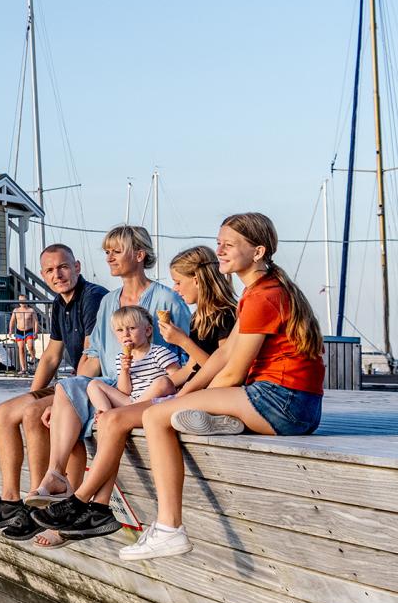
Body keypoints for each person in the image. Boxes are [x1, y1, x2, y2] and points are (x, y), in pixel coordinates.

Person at [120, 213, 324, 560]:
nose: (220, 252)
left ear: (258, 251)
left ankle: (169, 528)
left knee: (156, 418)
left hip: (281, 402)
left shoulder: (263, 295)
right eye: (219, 244)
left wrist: (179, 402)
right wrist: (184, 394)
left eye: (229, 245)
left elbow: (233, 372)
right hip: (292, 403)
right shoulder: (261, 288)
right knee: (173, 406)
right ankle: (222, 421)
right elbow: (224, 351)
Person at [31, 246, 238, 545]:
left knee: (114, 420)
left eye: (179, 281)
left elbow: (216, 366)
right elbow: (193, 370)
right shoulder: (199, 318)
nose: (175, 289)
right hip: (187, 394)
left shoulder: (220, 316)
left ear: (198, 278)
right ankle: (91, 506)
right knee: (106, 416)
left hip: (209, 396)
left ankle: (83, 502)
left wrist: (178, 357)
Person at [21, 226, 191, 528]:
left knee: (91, 408)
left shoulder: (166, 299)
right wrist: (65, 400)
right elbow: (96, 355)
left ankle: (80, 507)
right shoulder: (109, 301)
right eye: (107, 252)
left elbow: (185, 358)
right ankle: (55, 475)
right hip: (115, 385)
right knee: (67, 387)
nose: (109, 258)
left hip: (152, 386)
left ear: (139, 255)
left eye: (116, 251)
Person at [0, 243, 107, 537]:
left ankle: (38, 504)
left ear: (77, 267)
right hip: (73, 381)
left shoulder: (92, 298)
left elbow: (92, 357)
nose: (57, 274)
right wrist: (30, 395)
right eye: (50, 270)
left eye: (63, 267)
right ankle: (10, 501)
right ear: (44, 276)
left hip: (95, 383)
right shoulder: (60, 303)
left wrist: (57, 402)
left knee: (35, 412)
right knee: (5, 412)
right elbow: (50, 356)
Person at [85, 306, 177, 412]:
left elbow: (177, 378)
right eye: (120, 330)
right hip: (131, 402)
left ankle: (123, 413)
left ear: (147, 331)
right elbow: (125, 392)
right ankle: (106, 413)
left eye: (132, 328)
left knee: (163, 382)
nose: (125, 334)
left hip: (154, 402)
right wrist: (125, 370)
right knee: (93, 385)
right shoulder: (121, 357)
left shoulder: (159, 352)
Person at [9, 293, 40, 370]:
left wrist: (36, 332)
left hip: (29, 331)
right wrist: (10, 330)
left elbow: (36, 322)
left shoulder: (31, 310)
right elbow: (12, 321)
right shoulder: (16, 310)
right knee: (21, 349)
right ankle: (23, 368)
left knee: (30, 346)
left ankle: (33, 357)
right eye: (20, 300)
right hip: (19, 331)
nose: (22, 302)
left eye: (23, 300)